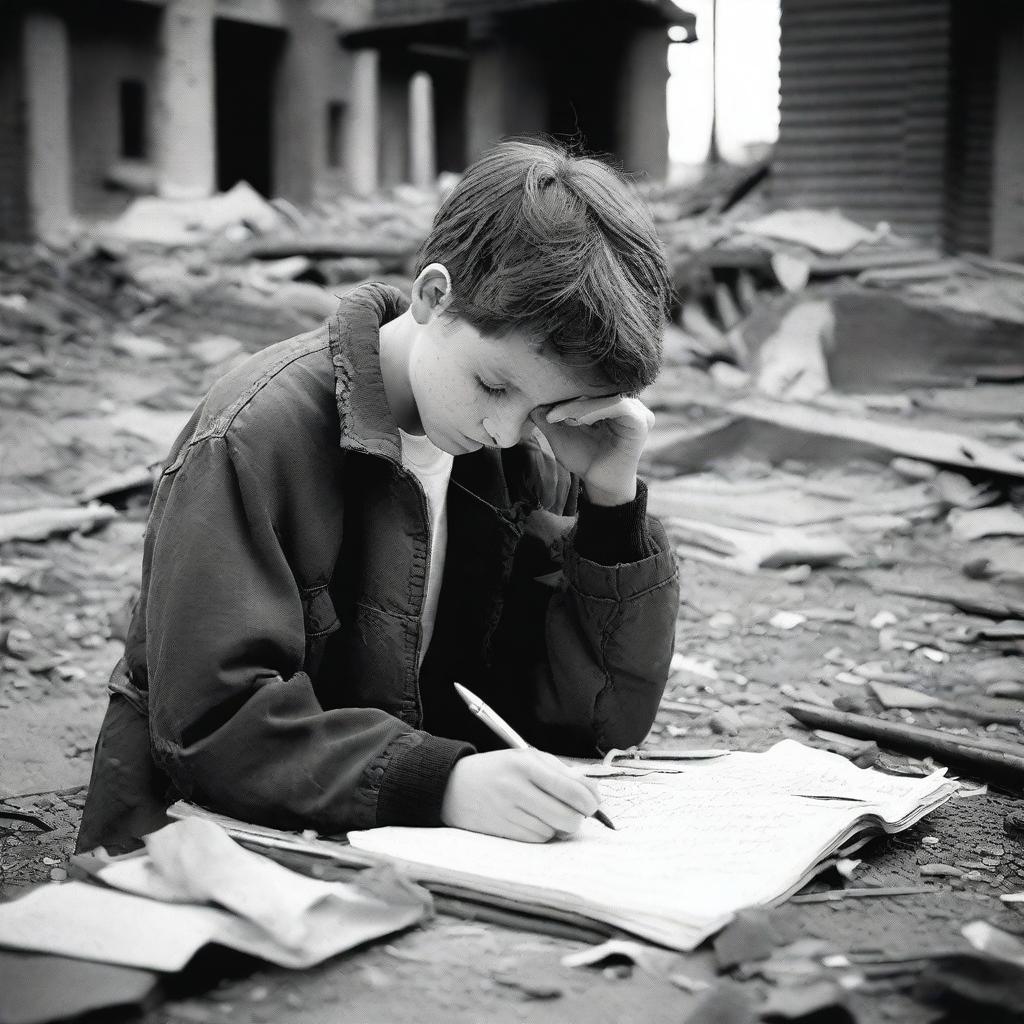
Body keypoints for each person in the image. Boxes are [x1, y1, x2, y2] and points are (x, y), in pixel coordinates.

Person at [76, 139, 681, 855]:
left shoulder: (523, 449)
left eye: (548, 408)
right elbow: (213, 724)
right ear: (432, 296)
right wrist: (443, 782)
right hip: (197, 854)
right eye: (494, 385)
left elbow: (595, 723)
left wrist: (611, 503)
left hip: (402, 851)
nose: (503, 428)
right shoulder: (253, 436)